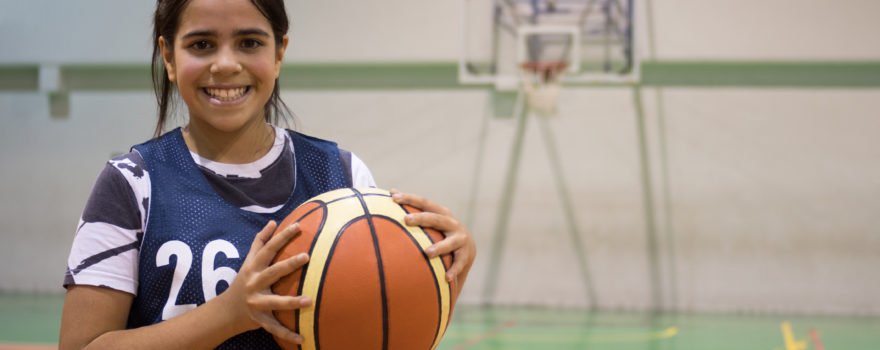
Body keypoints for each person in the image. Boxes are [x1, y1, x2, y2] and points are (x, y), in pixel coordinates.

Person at [58, 0, 476, 348]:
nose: (225, 64)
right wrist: (228, 315)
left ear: (278, 54)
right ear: (169, 57)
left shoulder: (342, 175)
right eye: (201, 44)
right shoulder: (132, 183)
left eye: (249, 42)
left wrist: (444, 268)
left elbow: (383, 323)